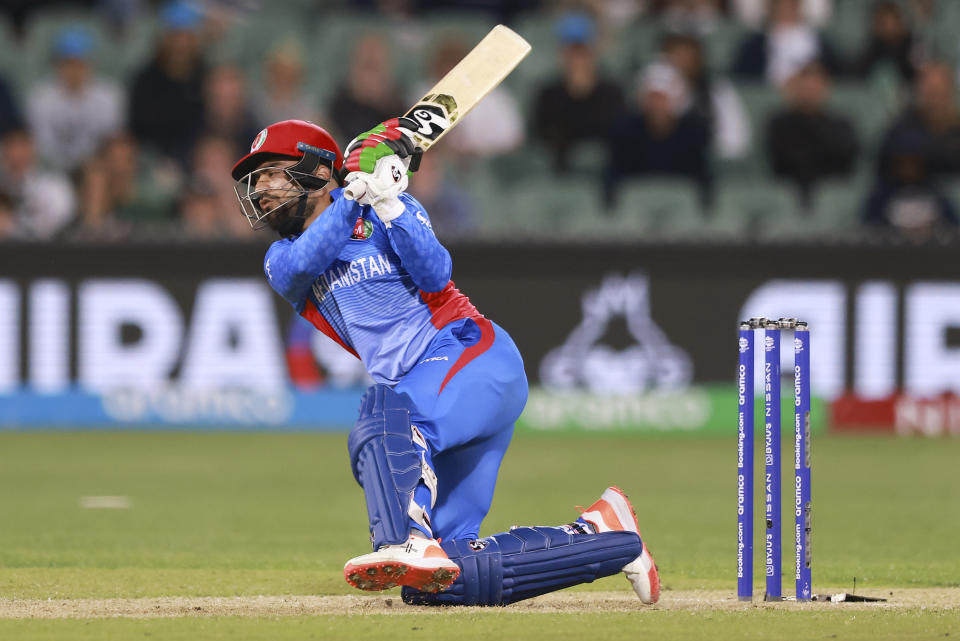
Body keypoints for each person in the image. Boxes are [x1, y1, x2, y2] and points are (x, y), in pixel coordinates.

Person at [230, 119, 660, 606]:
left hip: (470, 355)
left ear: (316, 170)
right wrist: (354, 194)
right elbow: (310, 258)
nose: (261, 189)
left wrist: (388, 201)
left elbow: (436, 274)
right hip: (433, 393)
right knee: (438, 581)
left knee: (384, 418)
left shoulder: (389, 211)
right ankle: (603, 534)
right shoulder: (280, 258)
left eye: (273, 173)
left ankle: (403, 540)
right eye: (257, 179)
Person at [604, 62, 712, 206]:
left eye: (663, 98)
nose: (657, 104)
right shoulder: (624, 132)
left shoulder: (693, 133)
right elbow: (614, 178)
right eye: (652, 97)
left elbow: (702, 181)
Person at [532, 12, 625, 173]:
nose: (576, 59)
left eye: (582, 52)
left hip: (606, 170)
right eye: (571, 53)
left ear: (593, 54)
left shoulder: (611, 91)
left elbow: (616, 132)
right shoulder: (548, 93)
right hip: (560, 169)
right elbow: (545, 134)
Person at [26, 26, 125, 173]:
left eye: (80, 63)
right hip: (53, 170)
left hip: (96, 169)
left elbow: (110, 141)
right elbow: (41, 145)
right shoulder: (40, 97)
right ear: (56, 65)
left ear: (91, 64)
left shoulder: (109, 95)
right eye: (68, 63)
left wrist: (88, 164)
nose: (74, 70)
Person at [766, 61, 858, 205]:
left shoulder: (840, 123)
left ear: (825, 89)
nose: (809, 93)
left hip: (834, 192)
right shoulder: (779, 123)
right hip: (789, 190)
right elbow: (783, 161)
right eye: (804, 87)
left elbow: (845, 157)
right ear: (793, 90)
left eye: (814, 87)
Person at [731, 0, 843, 86]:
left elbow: (839, 78)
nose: (785, 8)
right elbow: (743, 80)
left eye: (790, 3)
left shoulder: (822, 44)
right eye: (780, 3)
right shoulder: (753, 46)